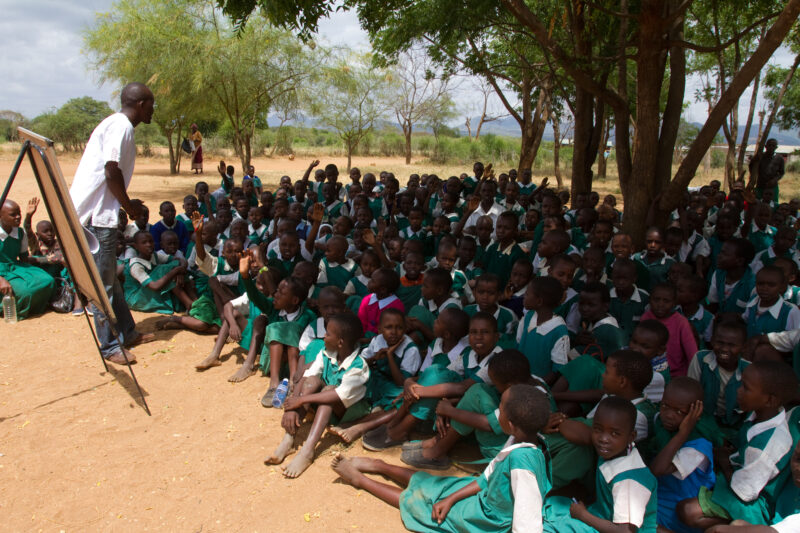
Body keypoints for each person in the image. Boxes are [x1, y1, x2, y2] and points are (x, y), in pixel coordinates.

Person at [332, 384, 552, 533]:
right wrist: (452, 498)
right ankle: (381, 466)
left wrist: (452, 503)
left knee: (424, 509)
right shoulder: (519, 439)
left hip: (488, 520)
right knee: (437, 486)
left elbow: (527, 525)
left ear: (511, 424)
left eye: (500, 408)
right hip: (485, 495)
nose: (498, 410)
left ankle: (360, 480)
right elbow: (486, 477)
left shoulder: (524, 464)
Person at [69, 81, 156, 365]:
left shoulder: (115, 125)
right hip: (98, 218)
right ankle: (109, 346)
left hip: (100, 214)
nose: (153, 112)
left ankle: (128, 331)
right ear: (141, 105)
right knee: (103, 285)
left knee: (112, 282)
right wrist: (129, 207)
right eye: (151, 106)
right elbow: (111, 171)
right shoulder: (121, 127)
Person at [266, 312, 371, 478]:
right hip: (323, 403)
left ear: (340, 342)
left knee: (329, 390)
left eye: (328, 334)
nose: (324, 337)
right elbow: (308, 375)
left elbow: (337, 395)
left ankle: (308, 450)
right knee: (313, 381)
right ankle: (289, 439)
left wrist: (300, 400)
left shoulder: (359, 367)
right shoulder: (327, 352)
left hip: (346, 413)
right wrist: (293, 405)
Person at [0, 199, 55, 319]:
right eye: (12, 214)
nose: (18, 217)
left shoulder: (19, 233)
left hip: (15, 267)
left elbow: (24, 258)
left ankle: (32, 307)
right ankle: (11, 310)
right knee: (25, 292)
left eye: (19, 213)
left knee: (48, 280)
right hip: (1, 272)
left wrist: (45, 261)